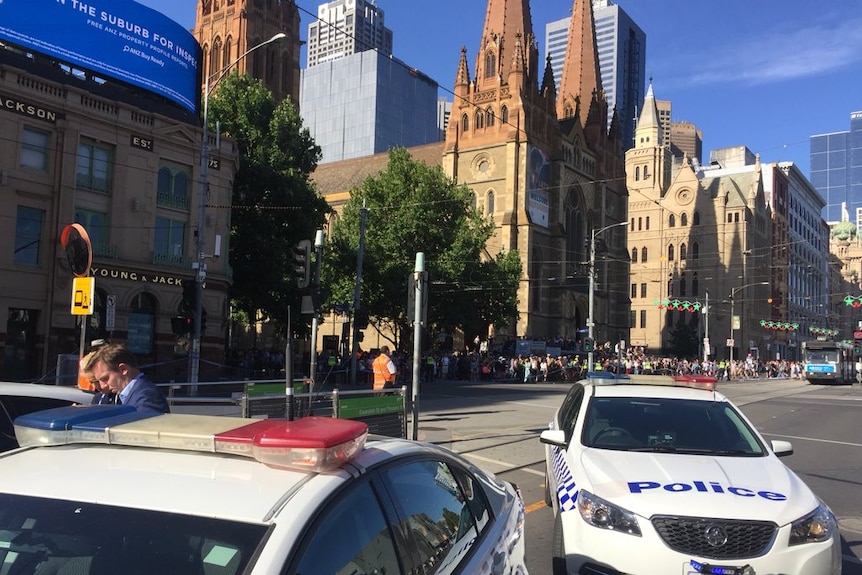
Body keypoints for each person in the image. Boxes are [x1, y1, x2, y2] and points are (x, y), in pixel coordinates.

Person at [85, 343, 170, 413]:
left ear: (123, 369)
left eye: (105, 378)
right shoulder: (130, 395)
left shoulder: (147, 396)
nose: (103, 386)